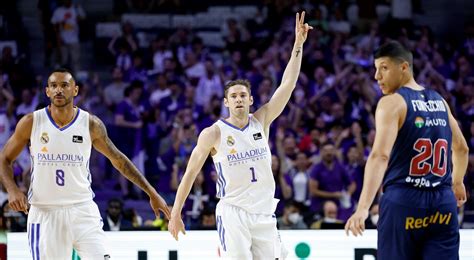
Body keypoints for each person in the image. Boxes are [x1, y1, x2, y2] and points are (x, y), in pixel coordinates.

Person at [168, 12, 312, 259]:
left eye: (243, 95)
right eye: (233, 96)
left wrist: (297, 45)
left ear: (251, 99)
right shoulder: (213, 133)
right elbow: (190, 173)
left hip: (265, 212)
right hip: (233, 212)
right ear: (226, 102)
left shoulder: (261, 120)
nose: (238, 99)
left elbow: (287, 84)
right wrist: (176, 214)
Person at [0, 68, 171, 259]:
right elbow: (4, 159)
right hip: (44, 211)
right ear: (47, 91)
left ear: (75, 90)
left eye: (64, 85)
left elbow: (119, 160)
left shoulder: (90, 124)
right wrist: (13, 190)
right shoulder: (31, 122)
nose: (59, 90)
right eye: (53, 86)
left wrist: (152, 192)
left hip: (82, 210)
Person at [345, 41, 469, 260]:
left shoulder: (392, 103)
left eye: (383, 67)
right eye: (375, 69)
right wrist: (457, 182)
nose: (377, 76)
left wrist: (363, 207)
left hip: (404, 201)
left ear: (403, 67)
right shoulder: (441, 101)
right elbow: (461, 148)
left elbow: (380, 156)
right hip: (442, 203)